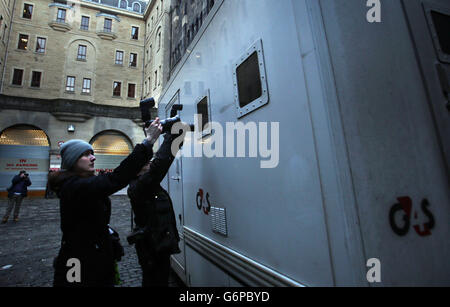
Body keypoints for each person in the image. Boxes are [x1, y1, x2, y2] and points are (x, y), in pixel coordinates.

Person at [48, 119, 163, 287]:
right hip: (78, 263)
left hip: (96, 259)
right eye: (86, 154)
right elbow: (116, 179)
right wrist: (147, 143)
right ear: (73, 161)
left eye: (92, 153)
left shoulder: (82, 184)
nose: (93, 157)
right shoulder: (74, 187)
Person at [127, 130, 184, 287]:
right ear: (137, 169)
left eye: (149, 161)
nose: (149, 164)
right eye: (146, 163)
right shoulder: (140, 186)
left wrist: (175, 140)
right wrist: (172, 137)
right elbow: (160, 165)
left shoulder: (146, 185)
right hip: (152, 247)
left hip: (157, 245)